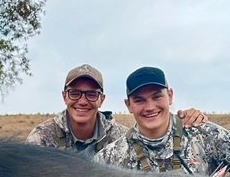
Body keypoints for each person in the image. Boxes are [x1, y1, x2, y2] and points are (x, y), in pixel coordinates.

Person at [96, 66, 230, 177]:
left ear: (170, 96)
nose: (150, 107)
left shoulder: (204, 134)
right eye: (140, 100)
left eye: (157, 96)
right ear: (128, 105)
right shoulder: (108, 160)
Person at [26, 64, 206, 157]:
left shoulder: (121, 139)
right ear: (64, 96)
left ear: (101, 100)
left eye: (91, 94)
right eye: (74, 93)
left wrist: (187, 118)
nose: (82, 101)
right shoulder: (41, 138)